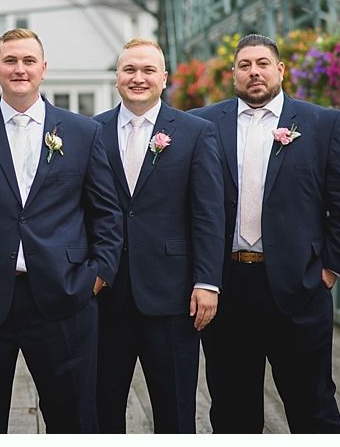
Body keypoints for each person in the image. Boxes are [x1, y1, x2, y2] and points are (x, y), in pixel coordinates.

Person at [0, 28, 123, 433]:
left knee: (74, 419)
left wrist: (98, 275)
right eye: (11, 61)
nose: (20, 69)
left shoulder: (83, 132)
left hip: (64, 294)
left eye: (29, 61)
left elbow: (106, 214)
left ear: (44, 69)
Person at [191, 33, 340, 433]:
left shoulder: (323, 123)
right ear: (233, 74)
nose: (255, 72)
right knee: (232, 409)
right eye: (245, 65)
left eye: (263, 64)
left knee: (312, 404)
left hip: (299, 286)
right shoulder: (202, 124)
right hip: (227, 287)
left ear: (280, 70)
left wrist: (329, 270)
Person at [92, 38, 225, 433]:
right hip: (103, 295)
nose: (138, 78)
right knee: (101, 407)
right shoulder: (89, 131)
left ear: (163, 78)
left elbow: (208, 213)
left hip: (172, 296)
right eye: (130, 69)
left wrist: (207, 281)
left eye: (148, 70)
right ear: (117, 77)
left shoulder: (195, 132)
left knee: (176, 409)